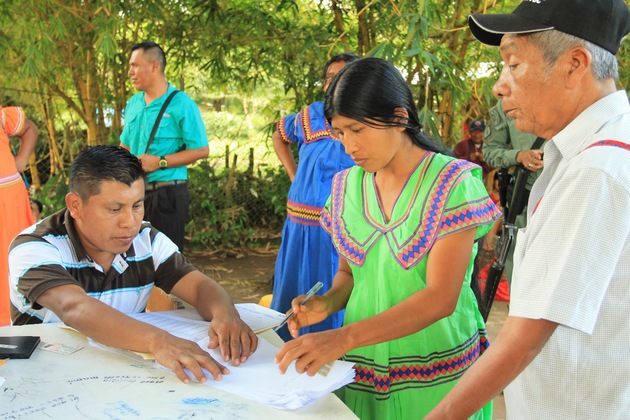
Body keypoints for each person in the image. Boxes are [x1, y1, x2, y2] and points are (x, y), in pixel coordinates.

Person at [427, 0, 630, 418]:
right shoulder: (591, 151)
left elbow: (525, 336)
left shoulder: (596, 169)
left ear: (575, 65)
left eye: (513, 64)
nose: (500, 86)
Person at [274, 58, 501, 419]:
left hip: (436, 376)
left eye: (357, 130)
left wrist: (341, 338)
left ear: (398, 118)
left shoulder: (453, 185)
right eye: (340, 133)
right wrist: (327, 303)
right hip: (363, 372)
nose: (348, 146)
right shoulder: (346, 188)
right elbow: (349, 276)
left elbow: (440, 298)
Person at [9, 145, 257, 384]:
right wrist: (157, 341)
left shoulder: (146, 241)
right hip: (41, 382)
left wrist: (224, 313)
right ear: (75, 205)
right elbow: (75, 308)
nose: (130, 222)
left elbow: (199, 285)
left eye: (137, 205)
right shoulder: (34, 247)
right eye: (114, 209)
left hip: (127, 377)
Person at [270, 52, 360, 341]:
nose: (334, 83)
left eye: (343, 77)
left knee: (333, 287)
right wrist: (294, 175)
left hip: (339, 227)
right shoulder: (311, 115)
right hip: (299, 224)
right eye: (330, 78)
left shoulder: (364, 121)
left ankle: (330, 349)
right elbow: (278, 135)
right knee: (291, 287)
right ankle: (284, 346)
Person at [120, 41, 209, 253]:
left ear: (153, 66)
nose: (130, 72)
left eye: (135, 65)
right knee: (131, 258)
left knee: (165, 261)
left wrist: (160, 162)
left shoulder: (182, 104)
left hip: (167, 195)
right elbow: (124, 145)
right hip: (134, 195)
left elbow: (201, 150)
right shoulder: (133, 103)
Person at [482, 99, 542, 281]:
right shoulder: (506, 104)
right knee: (518, 272)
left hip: (568, 196)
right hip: (523, 201)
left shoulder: (574, 94)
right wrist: (519, 156)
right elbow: (490, 151)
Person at [0, 106, 37, 326]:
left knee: (15, 256)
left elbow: (30, 128)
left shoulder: (3, 115)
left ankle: (18, 316)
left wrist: (21, 159)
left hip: (9, 201)